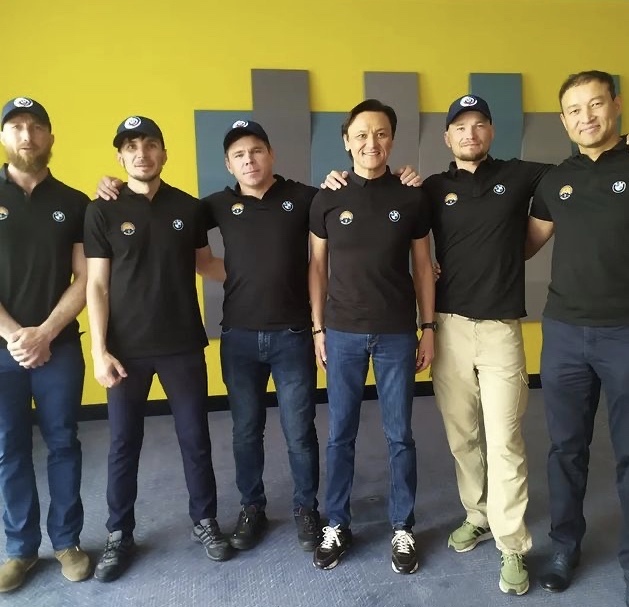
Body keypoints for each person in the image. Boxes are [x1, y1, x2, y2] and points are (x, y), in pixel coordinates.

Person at [95, 120, 420, 554]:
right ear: (228, 165)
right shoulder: (211, 206)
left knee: (299, 431)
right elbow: (174, 229)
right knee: (246, 431)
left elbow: (351, 198)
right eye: (239, 155)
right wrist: (114, 185)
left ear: (271, 154)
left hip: (293, 335)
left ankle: (306, 508)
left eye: (256, 151)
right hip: (239, 338)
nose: (249, 161)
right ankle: (253, 508)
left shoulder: (305, 197)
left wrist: (398, 176)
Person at [85, 115, 230, 583]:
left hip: (182, 344)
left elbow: (206, 264)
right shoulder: (101, 210)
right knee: (123, 443)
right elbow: (97, 286)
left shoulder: (188, 208)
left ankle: (204, 520)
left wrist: (264, 275)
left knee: (195, 438)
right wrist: (99, 351)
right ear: (120, 157)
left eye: (149, 145)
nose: (141, 154)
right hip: (125, 350)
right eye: (130, 147)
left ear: (164, 153)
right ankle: (119, 533)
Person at [420, 95, 550, 596]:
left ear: (491, 132)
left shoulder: (520, 175)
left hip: (500, 330)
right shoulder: (432, 188)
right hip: (448, 326)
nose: (470, 133)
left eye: (479, 125)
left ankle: (512, 543)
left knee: (505, 439)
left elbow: (577, 175)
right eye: (460, 126)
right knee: (462, 436)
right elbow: (392, 221)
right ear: (447, 137)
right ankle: (478, 514)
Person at [309, 99, 435, 575]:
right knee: (340, 434)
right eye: (361, 134)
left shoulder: (411, 197)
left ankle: (402, 525)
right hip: (341, 332)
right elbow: (316, 267)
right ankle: (336, 523)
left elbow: (423, 266)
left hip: (396, 333)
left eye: (381, 133)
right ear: (347, 141)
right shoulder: (327, 197)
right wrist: (318, 328)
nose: (371, 143)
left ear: (392, 139)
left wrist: (428, 327)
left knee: (399, 435)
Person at [527, 70, 629, 604]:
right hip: (564, 331)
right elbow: (524, 244)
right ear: (563, 120)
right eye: (574, 110)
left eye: (595, 104)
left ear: (616, 105)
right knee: (566, 449)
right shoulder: (554, 181)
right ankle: (564, 546)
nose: (586, 117)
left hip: (625, 332)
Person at [0, 97, 91, 591]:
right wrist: (17, 335)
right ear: (4, 137)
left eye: (35, 126)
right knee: (8, 447)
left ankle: (67, 542)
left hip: (59, 347)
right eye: (16, 127)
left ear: (50, 136)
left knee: (62, 443)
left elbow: (84, 278)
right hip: (3, 349)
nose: (26, 135)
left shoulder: (73, 202)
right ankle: (20, 550)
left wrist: (45, 333)